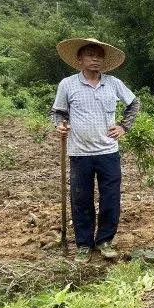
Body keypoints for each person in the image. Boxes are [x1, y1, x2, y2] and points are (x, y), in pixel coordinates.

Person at [50, 38, 141, 263]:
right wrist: (60, 125)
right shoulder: (67, 84)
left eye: (99, 56)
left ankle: (105, 240)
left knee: (110, 197)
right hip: (79, 152)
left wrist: (124, 126)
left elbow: (134, 103)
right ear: (79, 59)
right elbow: (58, 112)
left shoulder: (113, 83)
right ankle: (83, 244)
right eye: (90, 55)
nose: (95, 59)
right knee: (81, 199)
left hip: (108, 151)